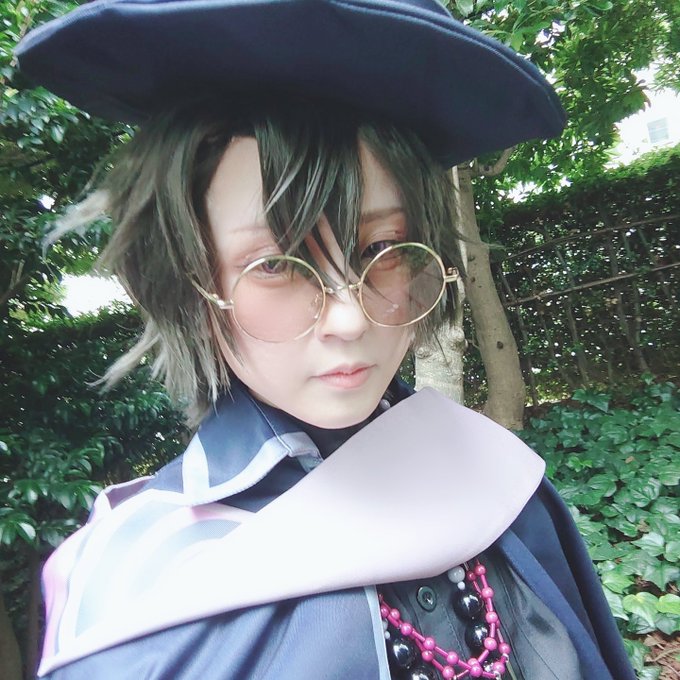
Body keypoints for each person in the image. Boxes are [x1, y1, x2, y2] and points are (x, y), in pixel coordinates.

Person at [16, 1, 635, 679]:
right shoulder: (140, 593)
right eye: (276, 264)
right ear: (187, 279)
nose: (349, 318)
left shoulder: (500, 486)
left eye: (382, 248)